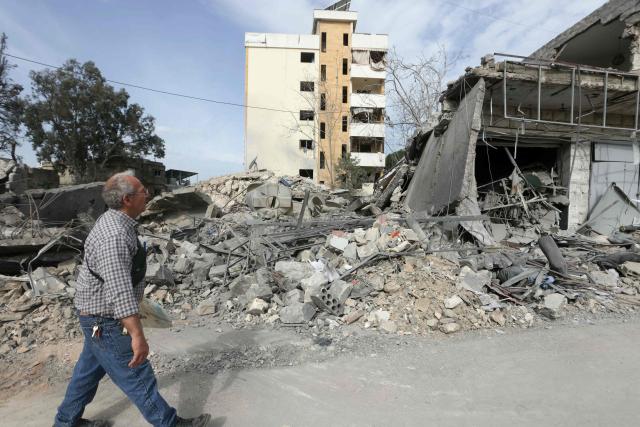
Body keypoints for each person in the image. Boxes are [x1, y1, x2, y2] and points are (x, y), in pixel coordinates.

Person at [53, 172, 210, 427]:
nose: (147, 194)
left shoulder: (118, 222)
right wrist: (137, 335)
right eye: (142, 191)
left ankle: (65, 423)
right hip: (105, 318)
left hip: (96, 315)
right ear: (127, 199)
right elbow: (119, 291)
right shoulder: (114, 236)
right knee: (137, 374)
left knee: (86, 374)